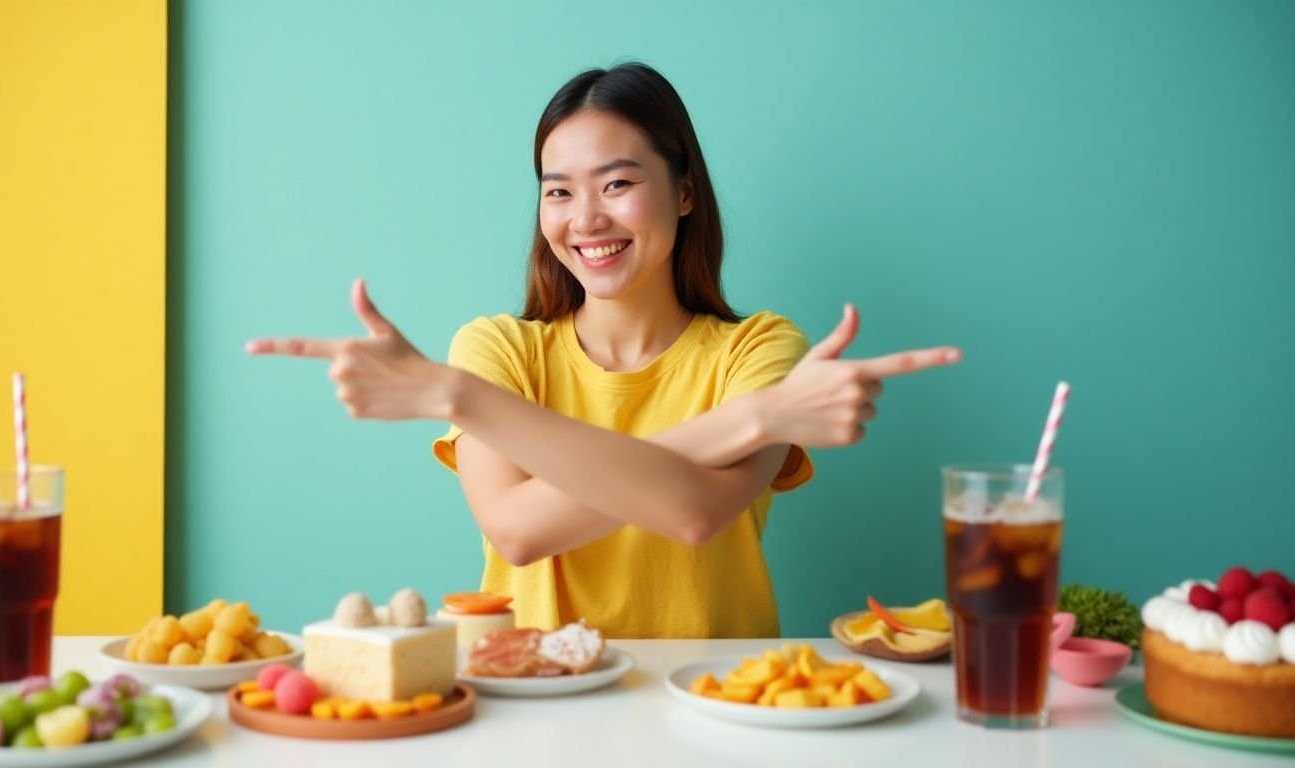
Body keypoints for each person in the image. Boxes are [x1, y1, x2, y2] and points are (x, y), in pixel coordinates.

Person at [248, 63, 960, 638]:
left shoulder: (761, 352)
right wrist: (758, 420)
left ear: (684, 192)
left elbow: (692, 514)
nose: (585, 219)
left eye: (617, 184)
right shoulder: (496, 350)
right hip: (536, 708)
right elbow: (519, 532)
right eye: (559, 191)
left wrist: (460, 399)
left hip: (717, 706)